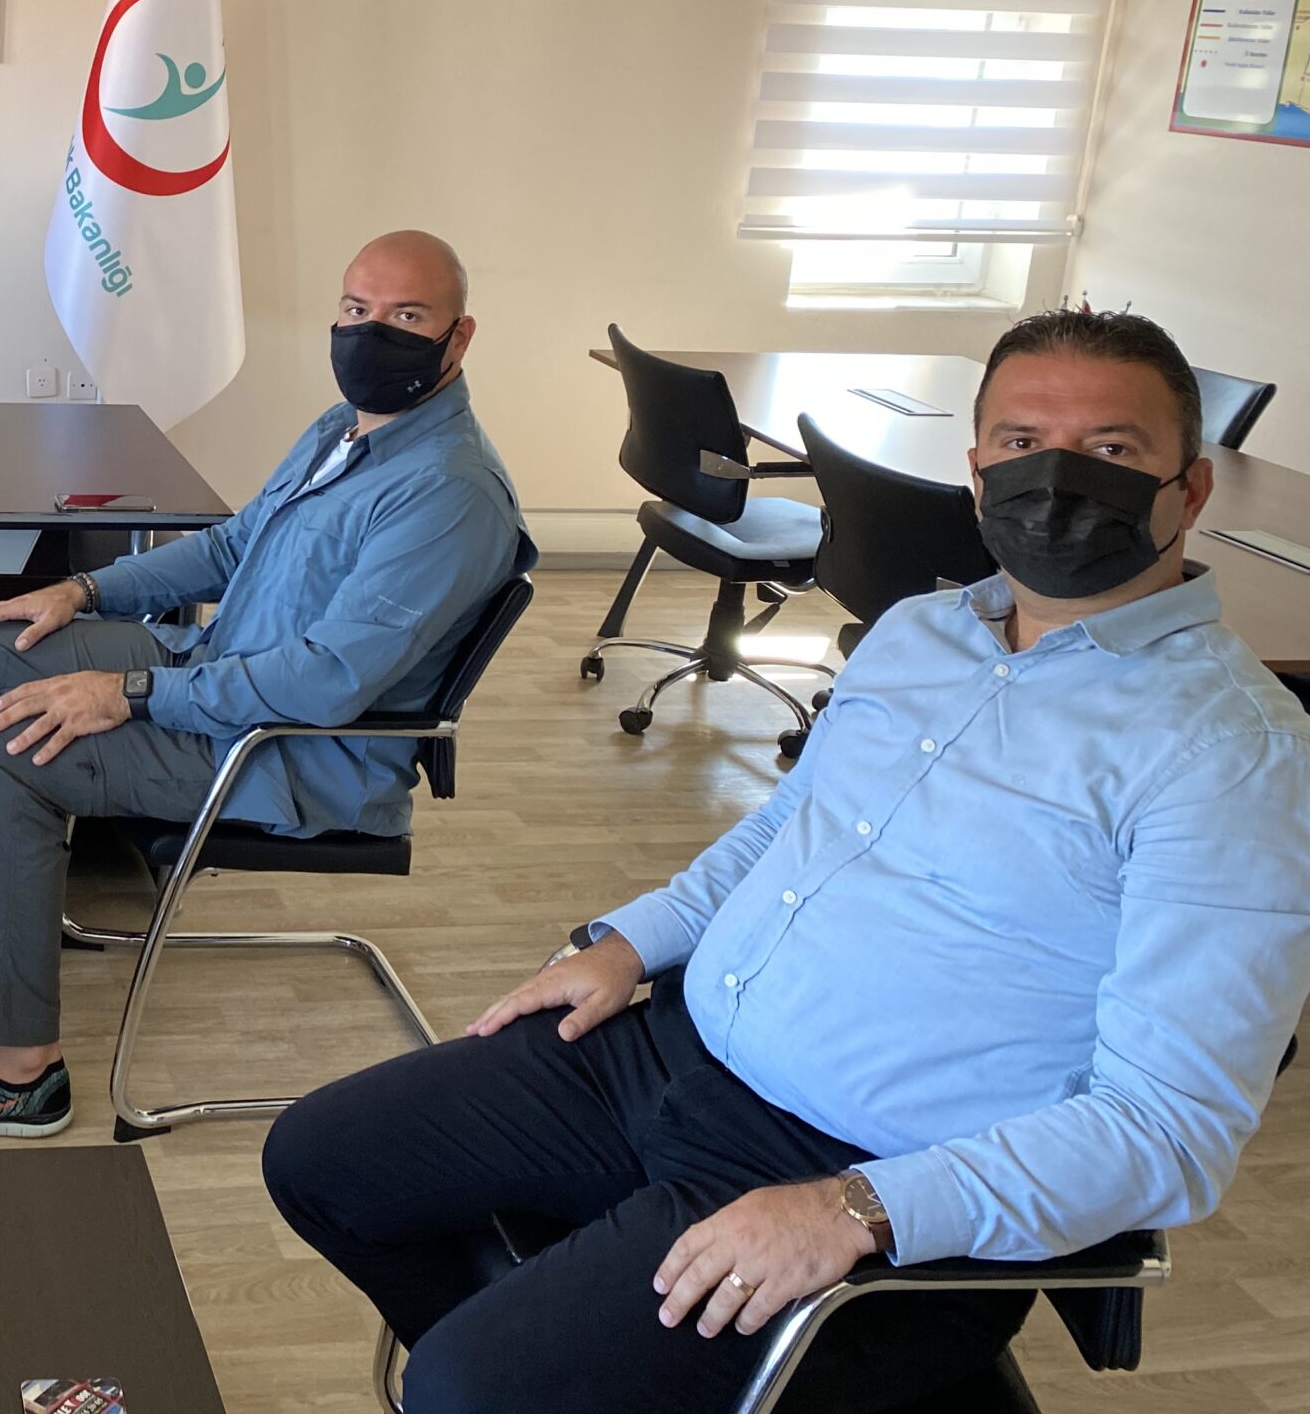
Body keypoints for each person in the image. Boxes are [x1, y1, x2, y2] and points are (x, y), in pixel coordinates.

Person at [262, 308, 1310, 1414]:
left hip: (855, 1167)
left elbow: (1169, 1131)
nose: (1056, 477)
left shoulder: (1231, 756)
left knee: (464, 1390)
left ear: (1190, 489)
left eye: (1111, 449)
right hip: (672, 1050)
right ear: (976, 472)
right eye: (1021, 443)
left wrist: (854, 1209)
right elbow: (789, 830)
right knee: (321, 1161)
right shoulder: (922, 632)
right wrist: (633, 942)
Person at [0, 231, 531, 1139]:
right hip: (220, 677)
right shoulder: (345, 429)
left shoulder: (450, 491)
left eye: (407, 317)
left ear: (459, 336)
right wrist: (83, 589)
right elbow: (229, 547)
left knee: (3, 751)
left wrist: (129, 693)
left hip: (285, 752)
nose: (371, 333)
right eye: (355, 310)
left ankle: (20, 1075)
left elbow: (326, 682)